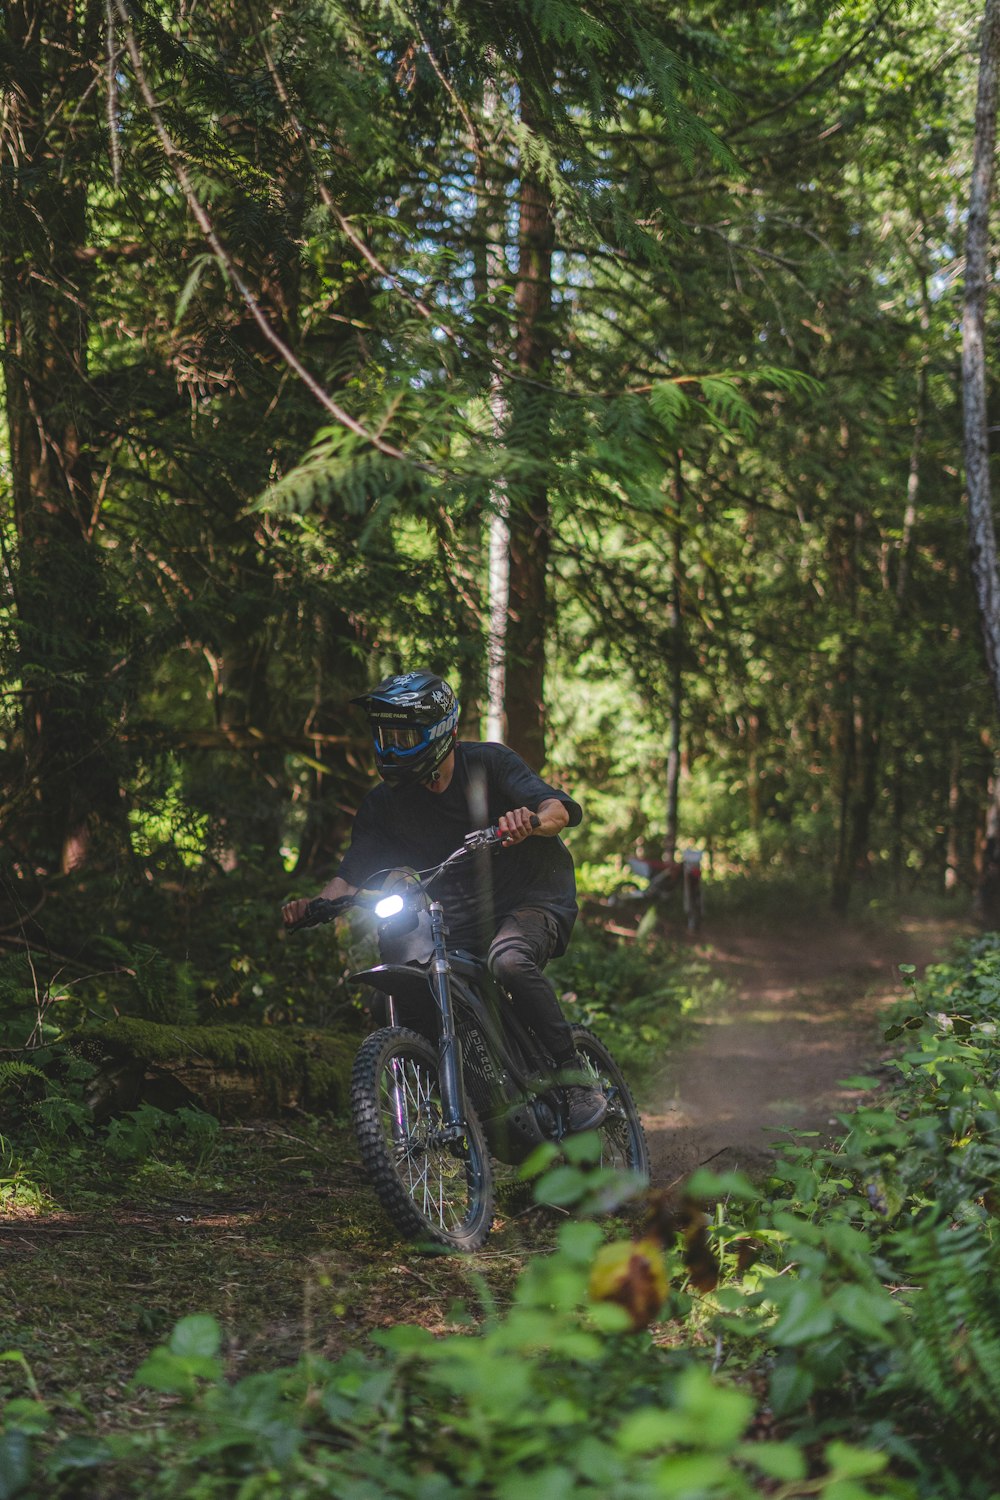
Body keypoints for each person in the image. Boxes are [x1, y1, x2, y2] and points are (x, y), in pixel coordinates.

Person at [282, 667, 607, 1133]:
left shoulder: (489, 765)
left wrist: (528, 823)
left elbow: (557, 810)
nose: (390, 747)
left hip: (531, 894)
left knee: (510, 962)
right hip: (455, 914)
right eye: (383, 735)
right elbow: (350, 878)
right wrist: (314, 904)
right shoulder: (383, 805)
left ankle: (576, 1079)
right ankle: (453, 1103)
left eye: (401, 734)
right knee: (393, 994)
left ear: (438, 732)